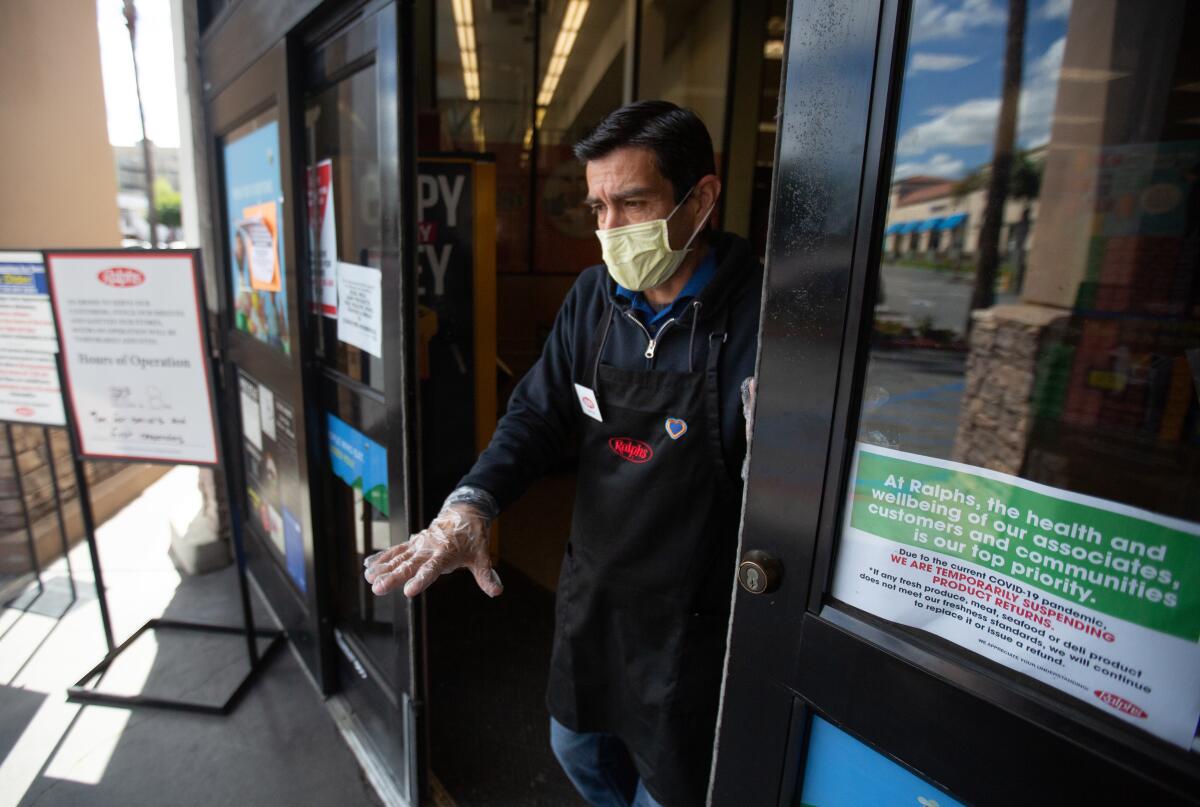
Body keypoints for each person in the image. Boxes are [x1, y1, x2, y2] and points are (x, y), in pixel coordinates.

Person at [364, 100, 763, 807]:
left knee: (672, 787)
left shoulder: (763, 316)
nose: (610, 230)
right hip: (597, 594)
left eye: (632, 203)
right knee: (574, 745)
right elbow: (536, 416)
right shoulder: (593, 300)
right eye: (598, 208)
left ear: (700, 198)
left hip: (694, 622)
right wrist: (470, 505)